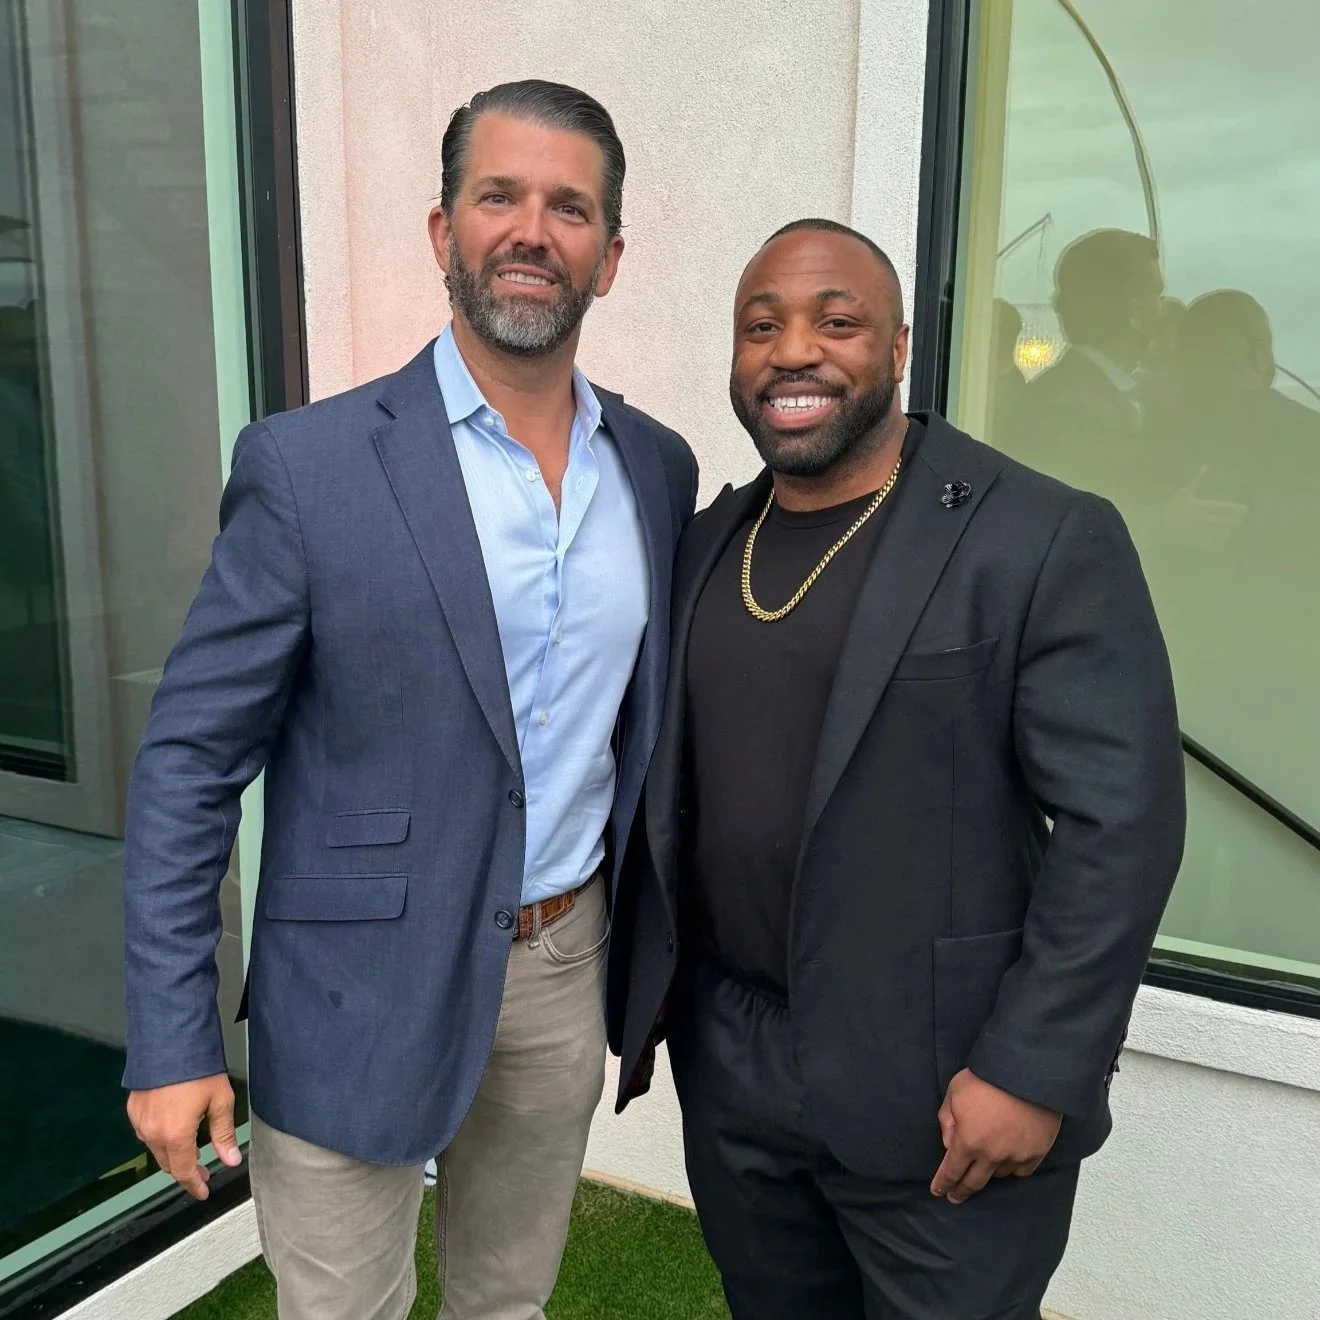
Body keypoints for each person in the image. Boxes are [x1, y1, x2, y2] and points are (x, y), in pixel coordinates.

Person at [123, 80, 697, 1320]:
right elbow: (188, 762)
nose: (532, 230)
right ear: (444, 231)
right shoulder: (307, 468)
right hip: (351, 986)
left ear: (609, 255)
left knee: (506, 1303)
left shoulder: (654, 466)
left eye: (570, 207)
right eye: (499, 196)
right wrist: (172, 1039)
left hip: (561, 965)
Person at [609, 218, 1186, 1319]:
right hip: (734, 1071)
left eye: (838, 322)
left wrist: (1033, 1067)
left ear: (899, 347)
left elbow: (1126, 825)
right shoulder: (703, 544)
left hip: (946, 1095)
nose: (794, 352)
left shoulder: (1037, 537)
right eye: (761, 326)